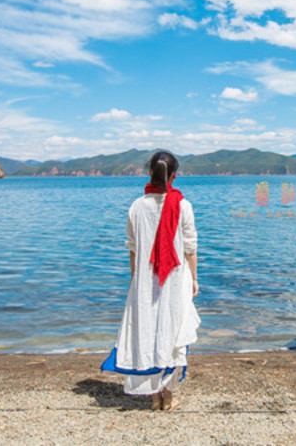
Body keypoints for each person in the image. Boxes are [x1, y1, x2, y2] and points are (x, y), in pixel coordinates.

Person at [101, 150, 200, 411]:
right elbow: (190, 248)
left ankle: (155, 395)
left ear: (149, 174)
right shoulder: (183, 205)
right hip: (175, 279)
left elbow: (133, 248)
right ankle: (168, 394)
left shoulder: (137, 206)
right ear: (175, 176)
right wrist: (194, 280)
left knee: (148, 332)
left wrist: (137, 282)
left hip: (145, 281)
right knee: (172, 331)